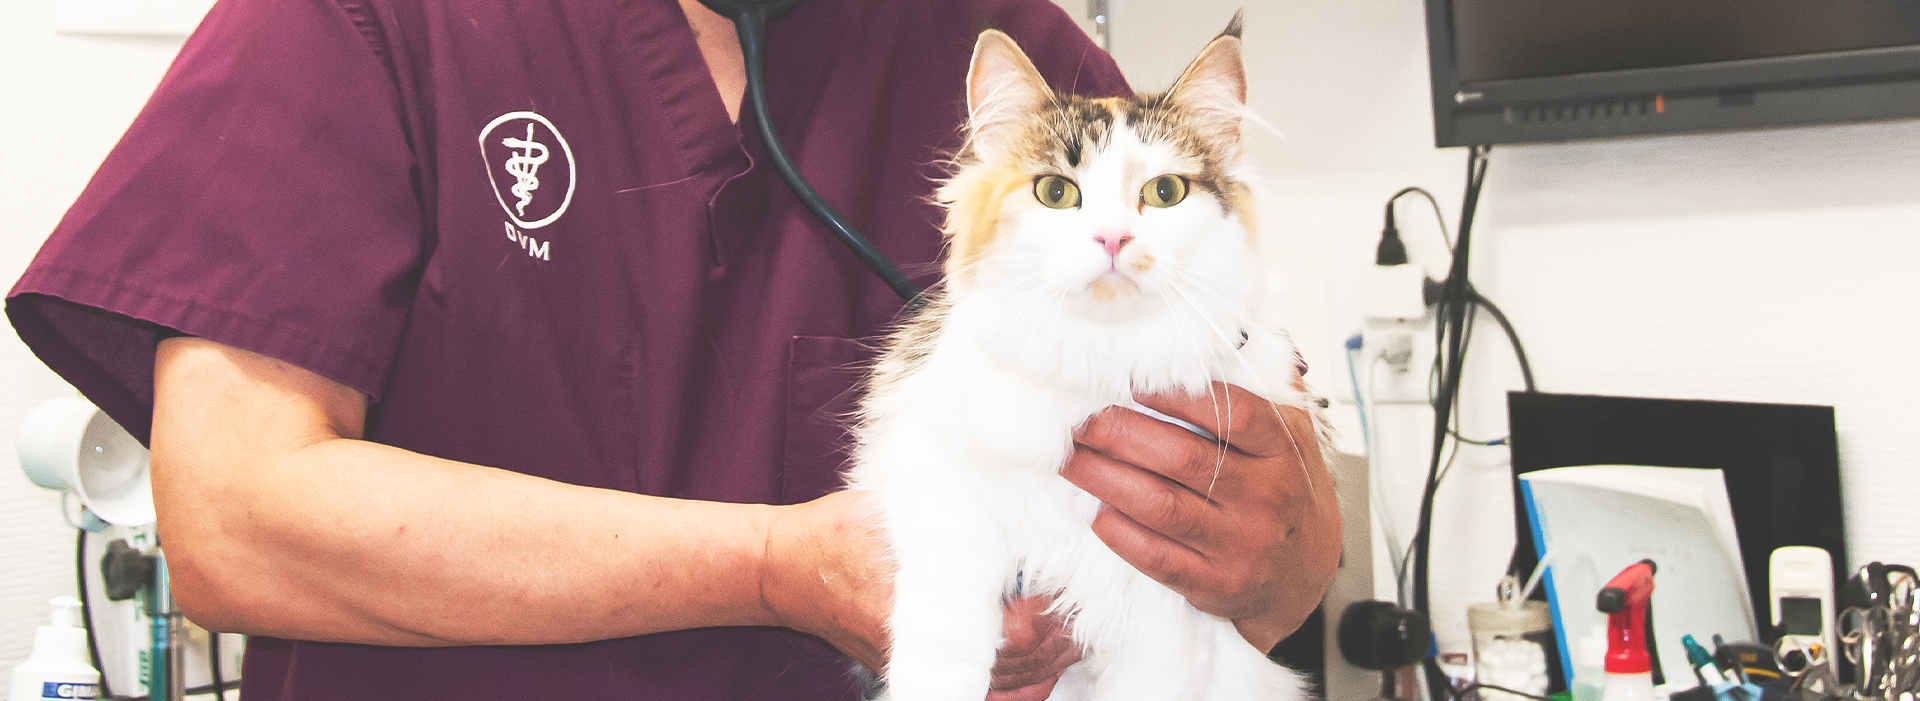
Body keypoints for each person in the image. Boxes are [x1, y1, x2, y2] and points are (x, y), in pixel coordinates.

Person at [7, 0, 1341, 699]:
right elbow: (235, 520)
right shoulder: (370, 20)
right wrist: (775, 567)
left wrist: (1290, 544)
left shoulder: (999, 56)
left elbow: (1269, 546)